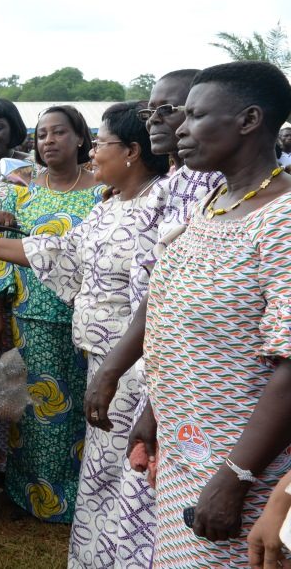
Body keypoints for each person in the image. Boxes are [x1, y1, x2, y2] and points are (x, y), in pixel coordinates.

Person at [0, 101, 171, 566]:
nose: (94, 156)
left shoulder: (162, 206)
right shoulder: (113, 207)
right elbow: (63, 251)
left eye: (101, 144)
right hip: (97, 351)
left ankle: (127, 551)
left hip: (135, 362)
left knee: (122, 459)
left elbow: (159, 299)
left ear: (131, 151)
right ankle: (99, 547)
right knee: (99, 452)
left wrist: (116, 365)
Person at [134, 61, 291, 566]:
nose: (180, 128)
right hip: (189, 451)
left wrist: (236, 477)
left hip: (247, 470)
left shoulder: (282, 221)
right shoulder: (214, 202)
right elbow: (176, 322)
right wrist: (153, 411)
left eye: (196, 116)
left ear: (248, 120)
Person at [83, 69, 224, 564]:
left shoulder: (258, 205)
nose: (164, 122)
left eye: (177, 109)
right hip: (160, 374)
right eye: (151, 111)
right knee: (148, 502)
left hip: (220, 395)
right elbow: (161, 291)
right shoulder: (183, 184)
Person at [0, 105, 101, 523]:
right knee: (32, 413)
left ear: (80, 137)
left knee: (86, 412)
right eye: (42, 134)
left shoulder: (105, 192)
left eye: (59, 132)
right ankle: (30, 496)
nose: (49, 141)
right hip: (31, 319)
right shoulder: (18, 190)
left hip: (90, 322)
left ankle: (83, 502)